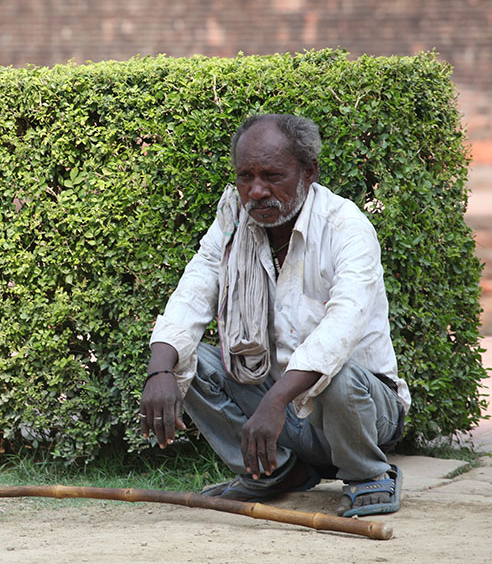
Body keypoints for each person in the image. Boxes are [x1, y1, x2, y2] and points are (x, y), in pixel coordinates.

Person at [138, 113, 411, 517]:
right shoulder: (233, 215)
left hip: (361, 408)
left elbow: (341, 328)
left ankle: (367, 473)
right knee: (184, 358)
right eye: (245, 176)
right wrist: (160, 371)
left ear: (309, 172)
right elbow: (194, 289)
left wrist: (276, 401)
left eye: (272, 175)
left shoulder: (345, 225)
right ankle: (276, 471)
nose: (256, 191)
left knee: (336, 376)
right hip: (273, 403)